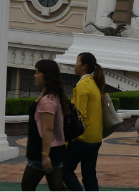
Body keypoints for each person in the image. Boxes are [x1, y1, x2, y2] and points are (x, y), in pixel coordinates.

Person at [22, 60, 67, 191]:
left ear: (47, 76)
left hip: (42, 150)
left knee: (27, 185)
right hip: (55, 149)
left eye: (38, 73)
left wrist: (45, 155)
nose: (34, 76)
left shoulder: (48, 101)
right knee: (57, 188)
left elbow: (48, 129)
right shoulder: (53, 97)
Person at [63, 52, 104, 191]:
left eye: (77, 62)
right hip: (96, 137)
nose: (75, 65)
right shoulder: (94, 83)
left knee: (65, 171)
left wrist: (72, 137)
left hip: (82, 138)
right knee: (89, 175)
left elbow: (80, 114)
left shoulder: (83, 85)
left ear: (84, 66)